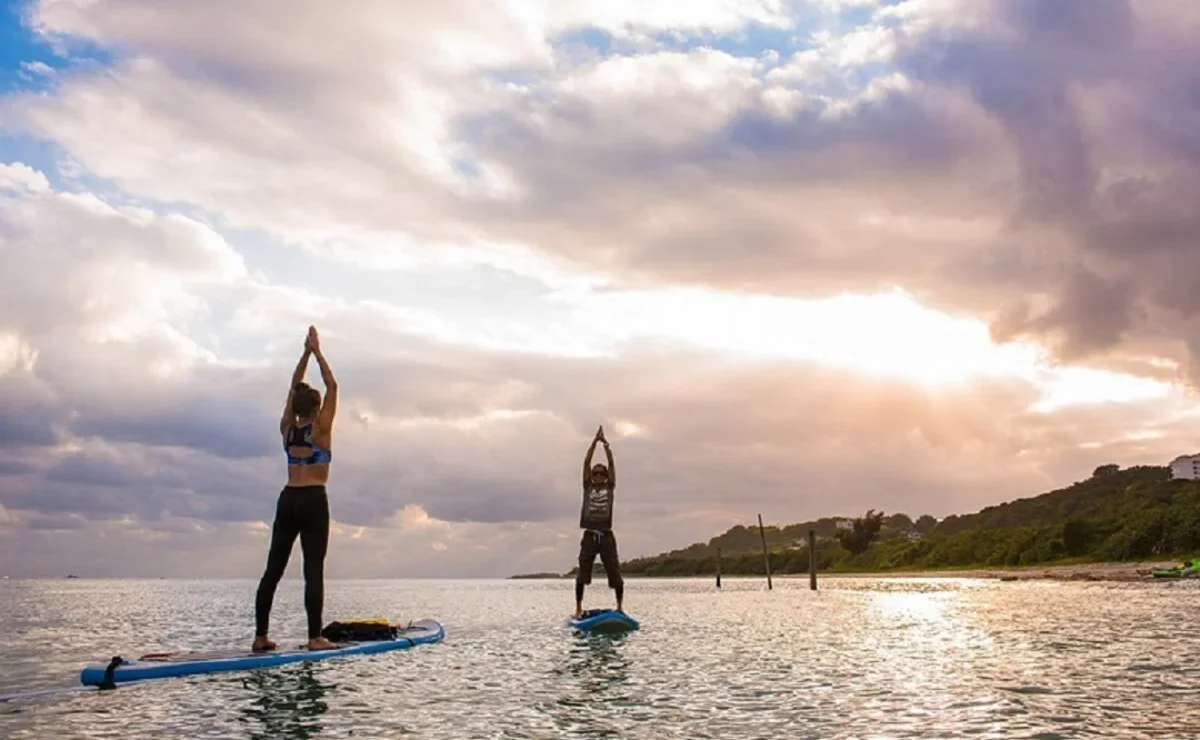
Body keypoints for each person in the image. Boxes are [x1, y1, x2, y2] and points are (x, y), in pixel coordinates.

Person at [252, 325, 339, 652]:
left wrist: (304, 353)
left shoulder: (287, 429)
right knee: (312, 569)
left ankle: (260, 636)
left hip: (288, 498)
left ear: (296, 407)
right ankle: (314, 637)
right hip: (314, 498)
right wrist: (317, 352)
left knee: (273, 569)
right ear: (316, 409)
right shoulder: (321, 429)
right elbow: (332, 385)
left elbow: (292, 388)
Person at [574, 425, 624, 619]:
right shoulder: (587, 487)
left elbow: (612, 466)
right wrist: (594, 442)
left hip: (606, 534)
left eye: (602, 474)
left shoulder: (610, 487)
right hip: (589, 534)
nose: (599, 476)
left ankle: (619, 607)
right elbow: (586, 462)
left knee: (615, 572)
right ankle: (578, 609)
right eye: (596, 474)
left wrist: (607, 447)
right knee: (583, 573)